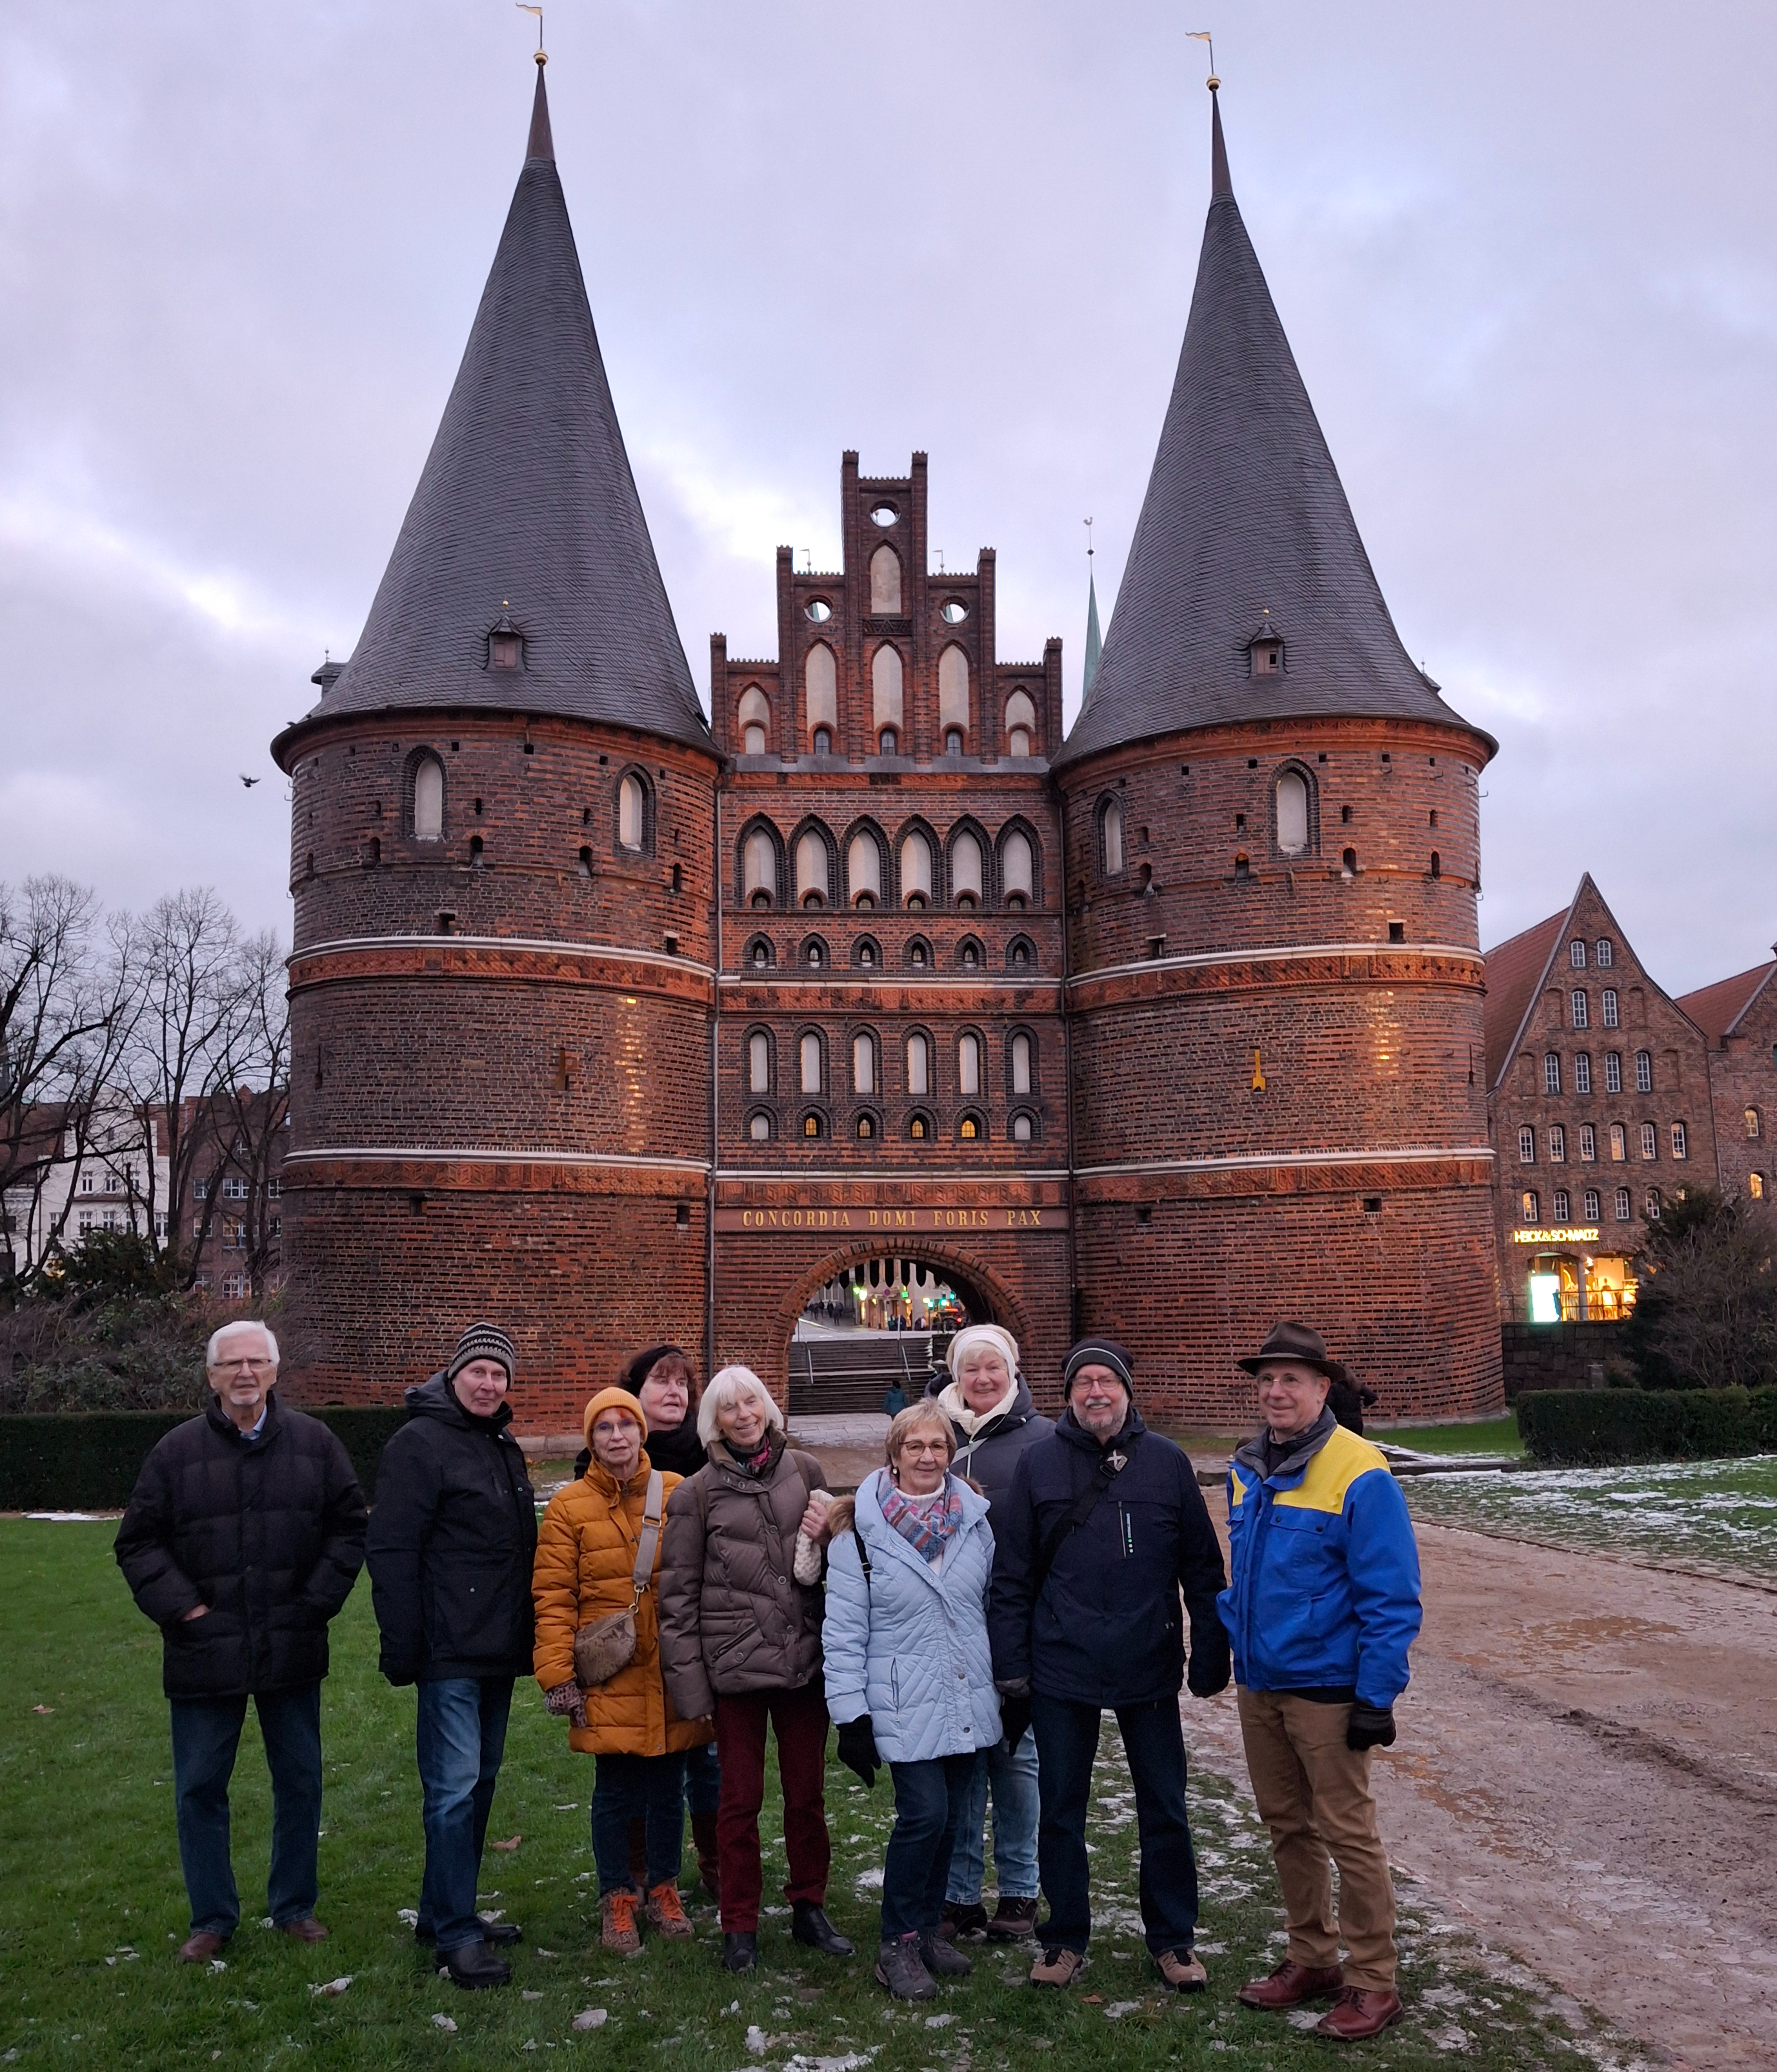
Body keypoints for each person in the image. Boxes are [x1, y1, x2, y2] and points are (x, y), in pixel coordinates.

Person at [115, 1320, 366, 1964]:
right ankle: (213, 1916)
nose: (246, 1373)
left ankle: (294, 1905)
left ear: (277, 1371)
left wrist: (314, 1603)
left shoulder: (315, 1444)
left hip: (291, 1643)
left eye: (257, 1361)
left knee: (300, 1781)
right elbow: (139, 1542)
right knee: (200, 1786)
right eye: (233, 1364)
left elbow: (349, 1527)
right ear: (212, 1376)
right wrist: (186, 1609)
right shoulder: (175, 1453)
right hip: (206, 1647)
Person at [987, 1338, 1229, 1993]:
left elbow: (1203, 1569)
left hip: (1145, 1661)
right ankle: (1064, 1936)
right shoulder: (1040, 1465)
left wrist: (1210, 1653)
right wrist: (1012, 1666)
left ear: (1126, 1390)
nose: (1096, 1392)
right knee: (1062, 1808)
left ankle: (1174, 1938)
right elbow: (1012, 1575)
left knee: (1165, 1807)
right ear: (1068, 1395)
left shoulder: (1168, 1463)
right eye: (1083, 1382)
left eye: (1107, 1381)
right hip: (1063, 1664)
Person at [1221, 1322, 1423, 2042]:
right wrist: (1224, 1637)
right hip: (1262, 1681)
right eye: (1267, 1380)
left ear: (1322, 1388)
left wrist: (1376, 1694)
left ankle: (1375, 1979)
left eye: (1292, 1381)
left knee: (1349, 1833)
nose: (1276, 1392)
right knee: (1286, 1827)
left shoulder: (1358, 1469)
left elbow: (1391, 1595)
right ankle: (1313, 1956)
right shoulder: (1247, 1465)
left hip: (1329, 1687)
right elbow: (1246, 1575)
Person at [658, 1365, 853, 1974]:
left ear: (768, 1408)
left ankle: (808, 1905)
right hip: (734, 1671)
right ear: (713, 1421)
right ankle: (738, 1922)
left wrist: (830, 1540)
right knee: (738, 1803)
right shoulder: (694, 1493)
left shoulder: (807, 1472)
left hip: (801, 1666)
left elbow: (833, 1567)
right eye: (728, 1408)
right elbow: (677, 1597)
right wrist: (693, 1688)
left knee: (807, 1797)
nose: (743, 1415)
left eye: (752, 1403)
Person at [366, 1322, 537, 1990]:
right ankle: (457, 1937)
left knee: (479, 1783)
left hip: (496, 1644)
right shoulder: (419, 1444)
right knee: (452, 1792)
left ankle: (444, 1911)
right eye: (480, 1371)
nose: (490, 1383)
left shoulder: (501, 1446)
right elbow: (392, 1548)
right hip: (448, 1648)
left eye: (500, 1375)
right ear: (454, 1373)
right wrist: (404, 1644)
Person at [823, 1403, 1002, 2001]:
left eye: (938, 1445)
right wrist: (850, 1715)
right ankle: (896, 1942)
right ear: (894, 1454)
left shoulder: (975, 1520)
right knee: (922, 1814)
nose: (927, 1456)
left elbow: (990, 1605)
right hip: (903, 1698)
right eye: (914, 1446)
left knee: (953, 1817)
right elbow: (843, 1631)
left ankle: (928, 1930)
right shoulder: (860, 1534)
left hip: (966, 1690)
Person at [535, 1387, 714, 1953]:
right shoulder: (569, 1507)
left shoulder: (676, 1491)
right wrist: (558, 1676)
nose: (617, 1436)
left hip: (669, 1668)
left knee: (667, 1789)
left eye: (626, 1425)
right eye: (604, 1428)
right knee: (614, 1792)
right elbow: (554, 1597)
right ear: (591, 1439)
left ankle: (663, 1887)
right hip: (608, 1671)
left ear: (642, 1431)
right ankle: (617, 1894)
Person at [574, 1345, 722, 1902]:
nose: (675, 1392)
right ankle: (633, 1873)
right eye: (660, 1381)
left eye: (683, 1382)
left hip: (693, 1636)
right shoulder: (595, 1474)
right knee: (628, 1763)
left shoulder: (708, 1459)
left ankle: (711, 1863)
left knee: (704, 1759)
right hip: (626, 1648)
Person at [923, 1322, 1050, 1943]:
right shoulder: (927, 1436)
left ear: (1012, 1371)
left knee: (1017, 1760)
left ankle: (1021, 1890)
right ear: (954, 1373)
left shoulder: (1044, 1439)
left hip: (1016, 1621)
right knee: (964, 1762)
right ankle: (959, 1892)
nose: (981, 1378)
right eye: (970, 1367)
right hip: (951, 1626)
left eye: (992, 1367)